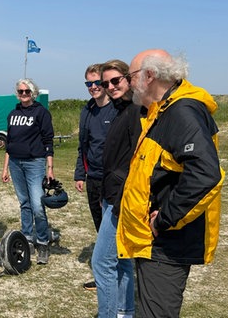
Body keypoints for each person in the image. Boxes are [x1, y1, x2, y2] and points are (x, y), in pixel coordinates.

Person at [116, 49, 225, 317]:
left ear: (150, 76)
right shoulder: (161, 110)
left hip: (166, 245)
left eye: (131, 76)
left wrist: (164, 219)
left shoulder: (182, 112)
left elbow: (206, 175)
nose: (129, 83)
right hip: (152, 243)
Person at [92, 59, 140, 318]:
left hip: (123, 199)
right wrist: (103, 194)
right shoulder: (121, 110)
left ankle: (110, 314)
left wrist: (120, 198)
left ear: (129, 78)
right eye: (105, 82)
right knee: (121, 260)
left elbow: (137, 161)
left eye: (116, 80)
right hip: (111, 196)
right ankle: (124, 311)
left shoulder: (136, 111)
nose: (110, 86)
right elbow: (113, 160)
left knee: (101, 262)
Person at [73, 63, 118, 291]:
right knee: (101, 228)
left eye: (96, 82)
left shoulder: (119, 109)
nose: (93, 87)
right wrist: (80, 174)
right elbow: (83, 146)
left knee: (114, 230)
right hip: (93, 178)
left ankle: (116, 276)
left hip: (114, 179)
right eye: (88, 83)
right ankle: (106, 276)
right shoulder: (87, 110)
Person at [1, 78, 55, 265]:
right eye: (20, 91)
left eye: (26, 91)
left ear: (33, 92)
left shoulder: (41, 112)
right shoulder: (12, 113)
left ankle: (42, 242)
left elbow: (48, 140)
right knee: (24, 203)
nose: (23, 94)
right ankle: (27, 239)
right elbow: (10, 143)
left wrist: (50, 168)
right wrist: (5, 167)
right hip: (15, 163)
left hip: (35, 163)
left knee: (38, 205)